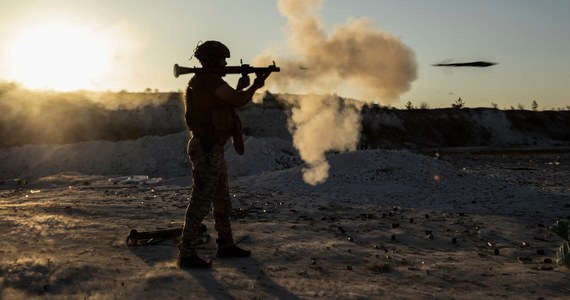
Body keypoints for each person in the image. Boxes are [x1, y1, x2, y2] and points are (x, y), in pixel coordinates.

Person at [178, 40, 271, 269]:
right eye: (222, 59)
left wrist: (241, 85)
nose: (226, 63)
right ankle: (187, 254)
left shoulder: (206, 81)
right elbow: (238, 101)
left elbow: (227, 102)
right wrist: (255, 86)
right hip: (207, 148)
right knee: (201, 201)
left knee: (221, 200)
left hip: (214, 148)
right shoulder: (208, 80)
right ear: (211, 60)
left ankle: (226, 244)